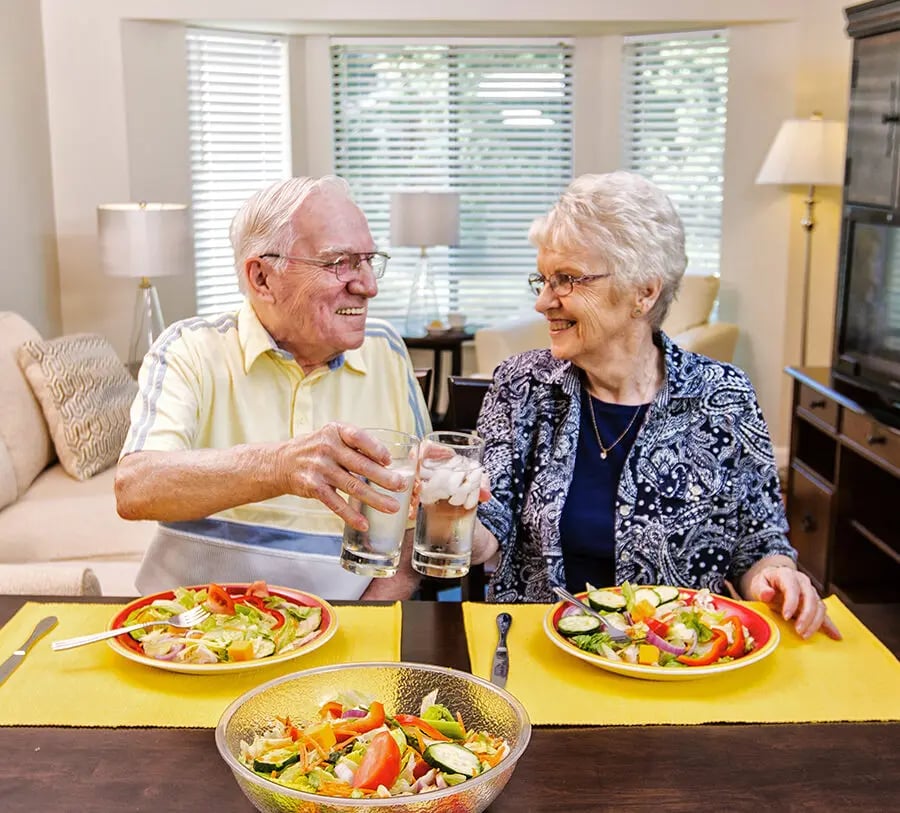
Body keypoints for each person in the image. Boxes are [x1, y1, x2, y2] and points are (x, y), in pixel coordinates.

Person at [470, 171, 840, 640]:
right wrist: (451, 511)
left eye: (566, 280)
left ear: (643, 292)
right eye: (542, 279)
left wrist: (775, 574)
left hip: (681, 663)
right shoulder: (521, 385)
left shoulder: (724, 397)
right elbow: (487, 534)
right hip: (539, 652)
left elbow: (760, 543)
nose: (544, 301)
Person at [115, 176, 430, 600]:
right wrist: (279, 466)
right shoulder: (189, 347)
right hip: (194, 628)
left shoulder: (386, 350)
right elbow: (136, 488)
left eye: (369, 260)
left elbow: (417, 519)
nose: (368, 285)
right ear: (262, 277)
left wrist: (367, 621)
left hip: (346, 627)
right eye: (340, 263)